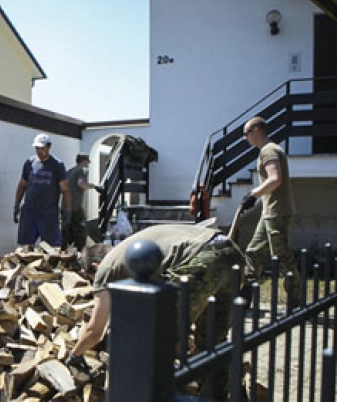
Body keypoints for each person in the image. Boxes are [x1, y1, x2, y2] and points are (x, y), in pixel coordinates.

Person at [66, 224, 247, 399]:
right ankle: (225, 395)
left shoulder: (106, 268)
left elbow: (95, 330)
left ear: (95, 266)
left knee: (159, 339)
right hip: (232, 253)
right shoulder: (130, 250)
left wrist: (75, 355)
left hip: (205, 258)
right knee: (212, 341)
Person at [241, 116, 299, 307]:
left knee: (283, 258)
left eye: (246, 133)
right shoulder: (268, 150)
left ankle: (295, 301)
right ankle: (246, 296)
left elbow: (275, 179)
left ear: (257, 131)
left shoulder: (269, 150)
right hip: (270, 212)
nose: (245, 138)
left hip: (277, 212)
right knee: (253, 252)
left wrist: (253, 194)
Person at [13, 133, 71, 247]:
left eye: (42, 148)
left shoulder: (57, 165)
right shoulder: (29, 163)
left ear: (49, 147)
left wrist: (67, 212)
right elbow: (22, 184)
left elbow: (65, 190)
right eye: (37, 148)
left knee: (51, 248)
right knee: (25, 247)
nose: (39, 151)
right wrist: (16, 205)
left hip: (48, 213)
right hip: (30, 212)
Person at [62, 153, 102, 251]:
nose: (89, 163)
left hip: (65, 206)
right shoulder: (82, 170)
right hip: (76, 206)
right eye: (88, 161)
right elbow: (81, 184)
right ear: (84, 161)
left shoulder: (69, 171)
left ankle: (64, 253)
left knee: (66, 231)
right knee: (81, 231)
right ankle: (80, 253)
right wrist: (95, 187)